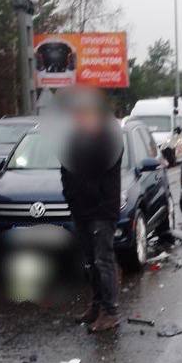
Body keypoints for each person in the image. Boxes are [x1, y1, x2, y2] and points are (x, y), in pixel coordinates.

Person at [60, 87, 124, 332]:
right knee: (89, 261)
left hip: (102, 210)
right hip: (81, 209)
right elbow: (65, 168)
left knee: (103, 260)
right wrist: (70, 196)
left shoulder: (108, 139)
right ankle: (96, 305)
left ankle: (110, 311)